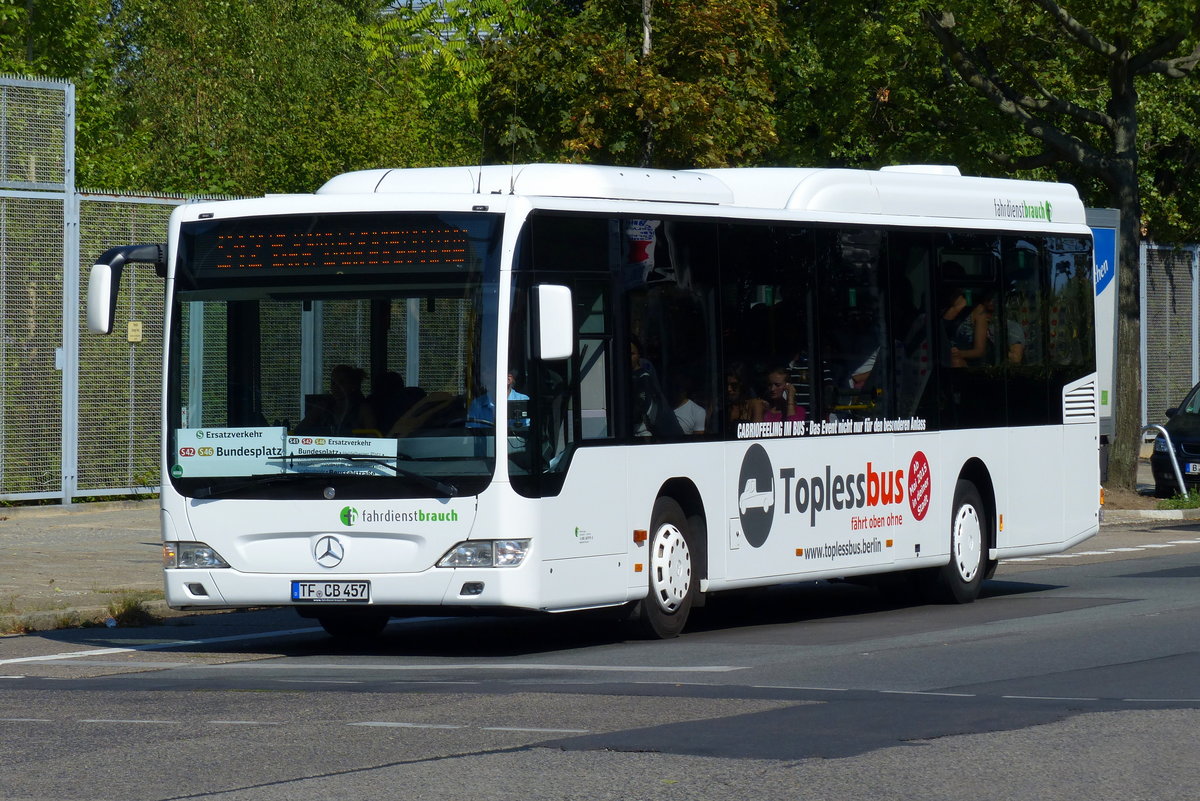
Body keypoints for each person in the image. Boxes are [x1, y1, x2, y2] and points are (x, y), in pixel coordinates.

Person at [630, 336, 683, 438]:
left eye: (632, 354)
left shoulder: (644, 377)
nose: (629, 357)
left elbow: (644, 409)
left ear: (638, 355)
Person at [329, 364, 377, 435]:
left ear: (352, 385)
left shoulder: (363, 410)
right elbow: (307, 430)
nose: (336, 387)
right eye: (333, 383)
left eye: (341, 382)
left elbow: (373, 439)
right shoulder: (323, 408)